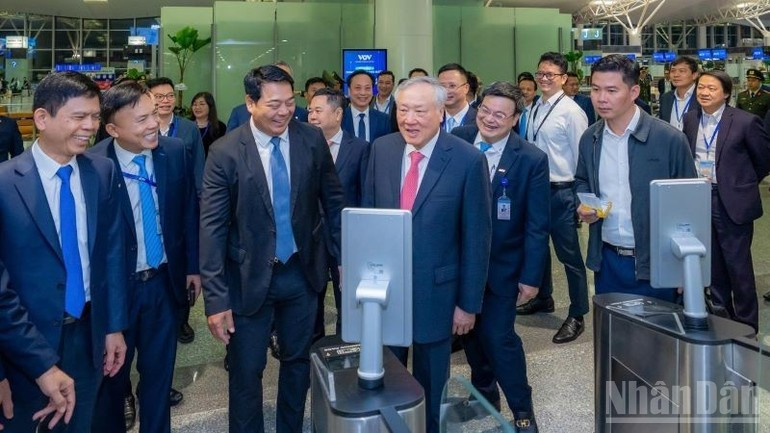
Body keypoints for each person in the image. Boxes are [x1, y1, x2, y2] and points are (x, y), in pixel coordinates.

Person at [200, 65, 344, 433]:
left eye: (289, 103)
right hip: (248, 279)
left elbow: (333, 202)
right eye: (272, 104)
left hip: (302, 272)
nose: (284, 112)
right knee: (247, 371)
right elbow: (212, 229)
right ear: (250, 103)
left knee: (298, 364)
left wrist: (342, 260)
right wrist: (216, 301)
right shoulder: (226, 151)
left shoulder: (311, 140)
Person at [0, 71, 127, 432]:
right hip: (23, 349)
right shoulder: (6, 184)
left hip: (88, 338)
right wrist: (39, 365)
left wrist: (114, 325)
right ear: (42, 118)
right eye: (78, 117)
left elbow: (112, 255)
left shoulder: (101, 172)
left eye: (95, 116)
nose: (90, 126)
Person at [362, 76, 491, 433]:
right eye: (404, 110)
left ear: (440, 112)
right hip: (385, 293)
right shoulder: (382, 150)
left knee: (430, 385)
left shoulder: (467, 160)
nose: (410, 119)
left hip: (438, 293)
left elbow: (477, 238)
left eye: (419, 111)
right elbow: (370, 220)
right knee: (385, 379)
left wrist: (467, 304)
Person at [89, 81, 200, 433]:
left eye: (153, 113)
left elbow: (187, 214)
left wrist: (193, 268)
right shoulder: (92, 164)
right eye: (141, 120)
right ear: (112, 129)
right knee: (112, 380)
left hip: (163, 283)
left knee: (158, 378)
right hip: (117, 292)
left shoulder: (174, 150)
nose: (153, 124)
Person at [452, 81, 548, 433]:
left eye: (501, 115)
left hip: (502, 266)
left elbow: (538, 224)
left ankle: (523, 408)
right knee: (469, 334)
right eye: (485, 111)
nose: (490, 120)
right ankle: (484, 393)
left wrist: (532, 276)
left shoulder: (531, 159)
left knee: (498, 337)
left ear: (516, 119)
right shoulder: (458, 140)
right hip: (460, 263)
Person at [575, 54, 697, 303]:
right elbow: (581, 179)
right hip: (607, 260)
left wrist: (687, 269)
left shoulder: (669, 139)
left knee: (657, 339)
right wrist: (585, 204)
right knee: (614, 337)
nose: (601, 98)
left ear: (633, 92)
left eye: (611, 90)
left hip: (657, 262)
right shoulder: (591, 138)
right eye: (596, 89)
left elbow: (690, 207)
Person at [683, 70, 770, 332]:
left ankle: (747, 326)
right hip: (700, 198)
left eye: (711, 88)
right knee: (713, 265)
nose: (704, 93)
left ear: (727, 93)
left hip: (732, 201)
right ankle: (722, 318)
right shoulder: (690, 119)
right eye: (701, 88)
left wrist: (740, 184)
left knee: (738, 267)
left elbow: (763, 160)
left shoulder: (745, 121)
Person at [516, 52, 590, 345]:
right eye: (541, 74)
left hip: (562, 191)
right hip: (536, 190)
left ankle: (578, 313)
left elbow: (583, 158)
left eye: (551, 75)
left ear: (563, 79)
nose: (544, 79)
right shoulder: (533, 108)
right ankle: (543, 298)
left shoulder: (571, 112)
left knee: (569, 255)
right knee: (538, 248)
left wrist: (579, 198)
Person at [307, 87, 369, 338]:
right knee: (311, 299)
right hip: (311, 236)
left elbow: (365, 196)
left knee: (348, 300)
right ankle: (314, 349)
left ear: (338, 113)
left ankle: (349, 348)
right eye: (310, 110)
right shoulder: (301, 145)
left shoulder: (360, 149)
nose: (311, 116)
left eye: (318, 111)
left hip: (346, 237)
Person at [227, 61, 308, 130]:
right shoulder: (239, 113)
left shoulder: (308, 129)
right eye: (274, 105)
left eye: (289, 103)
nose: (284, 112)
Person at [341, 70, 391, 143]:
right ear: (349, 90)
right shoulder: (339, 118)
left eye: (367, 88)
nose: (363, 93)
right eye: (358, 88)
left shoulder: (384, 120)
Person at [658, 56, 700, 131]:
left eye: (682, 71)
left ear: (694, 75)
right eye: (673, 71)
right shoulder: (666, 98)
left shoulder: (702, 97)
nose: (676, 75)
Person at [437, 63, 477, 132]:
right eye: (442, 86)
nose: (446, 91)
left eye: (452, 86)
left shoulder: (478, 120)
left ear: (466, 88)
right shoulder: (433, 119)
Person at [190, 91, 226, 157]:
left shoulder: (220, 127)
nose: (197, 107)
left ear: (210, 106)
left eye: (202, 104)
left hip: (211, 164)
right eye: (194, 104)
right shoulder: (186, 125)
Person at [515, 72, 539, 137]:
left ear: (535, 93)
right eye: (522, 89)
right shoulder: (513, 109)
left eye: (529, 89)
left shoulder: (539, 110)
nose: (525, 92)